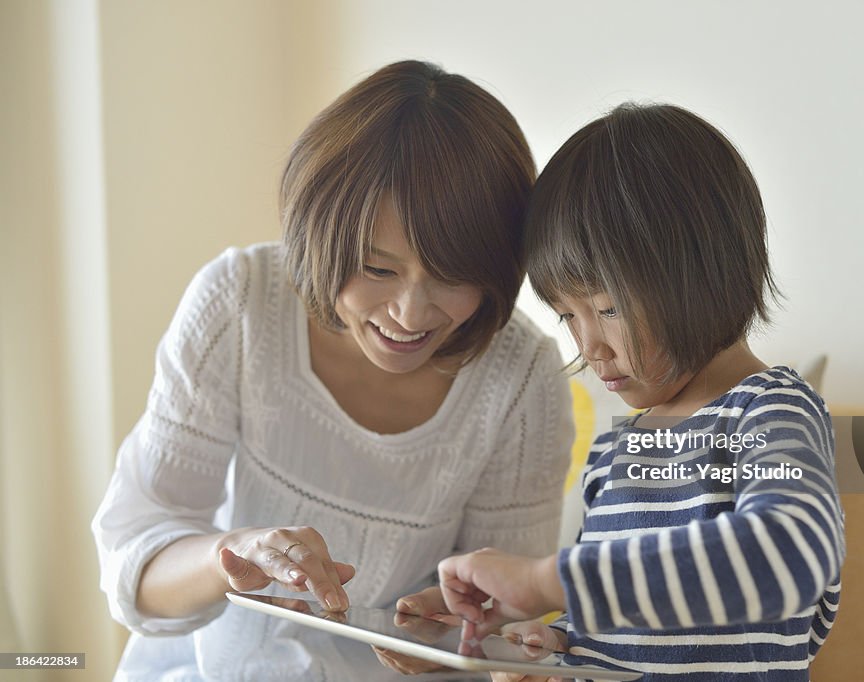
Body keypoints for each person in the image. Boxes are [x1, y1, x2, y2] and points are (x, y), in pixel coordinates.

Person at [91, 60, 573, 681]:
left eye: (453, 277)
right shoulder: (241, 304)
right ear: (320, 235)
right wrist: (229, 556)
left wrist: (463, 640)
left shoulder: (522, 379)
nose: (409, 314)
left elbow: (504, 622)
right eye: (377, 269)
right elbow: (136, 567)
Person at [436, 103, 845, 681]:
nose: (589, 346)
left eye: (608, 308)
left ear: (703, 271)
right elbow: (617, 620)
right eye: (566, 317)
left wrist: (542, 579)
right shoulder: (617, 449)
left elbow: (788, 556)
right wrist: (555, 644)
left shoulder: (769, 410)